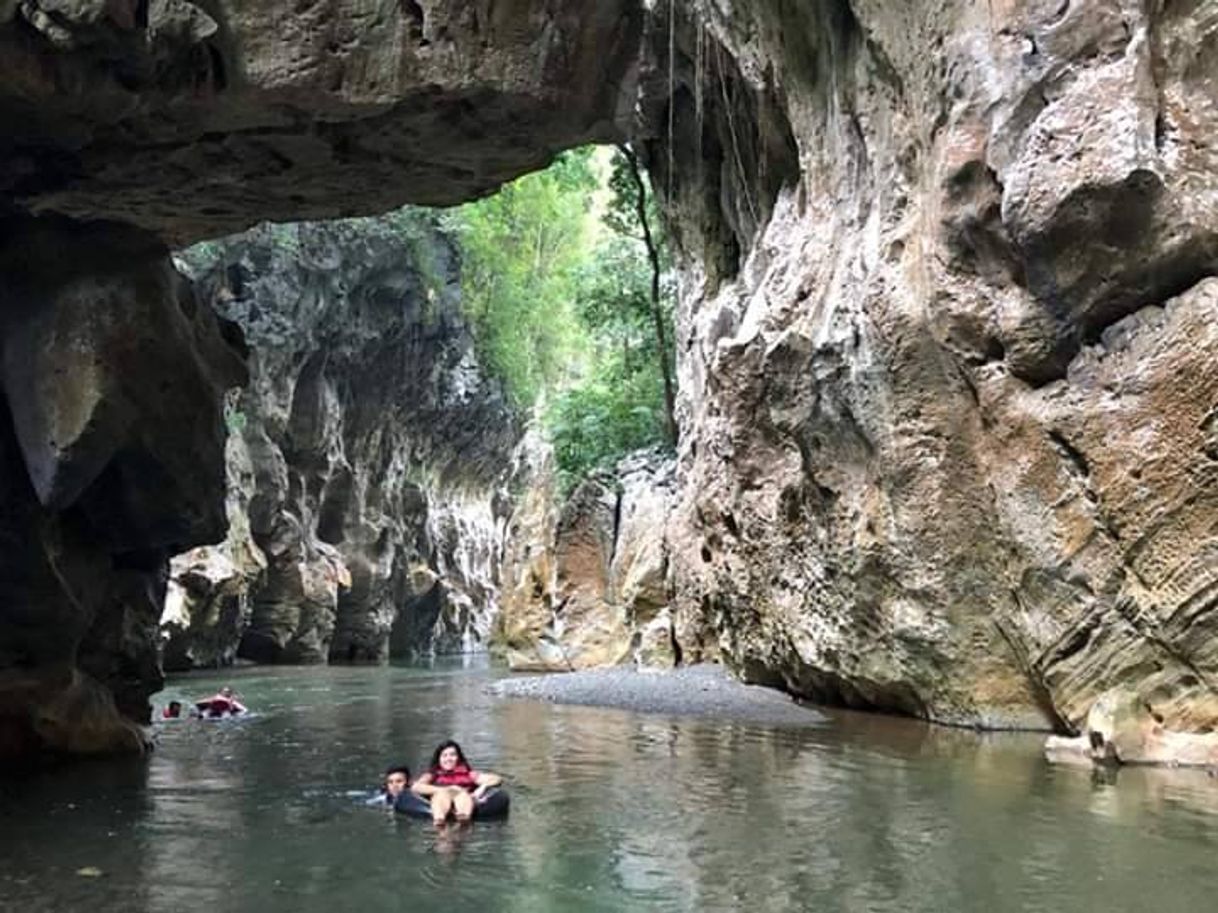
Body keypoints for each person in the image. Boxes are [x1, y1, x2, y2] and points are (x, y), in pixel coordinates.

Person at [410, 739, 503, 825]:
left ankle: (463, 818)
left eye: (452, 755)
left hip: (464, 798)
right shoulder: (432, 774)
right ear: (439, 759)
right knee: (443, 795)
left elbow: (496, 779)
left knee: (461, 794)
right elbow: (416, 787)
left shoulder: (469, 774)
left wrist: (482, 787)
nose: (448, 759)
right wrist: (446, 789)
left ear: (458, 758)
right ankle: (439, 820)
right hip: (441, 798)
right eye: (444, 756)